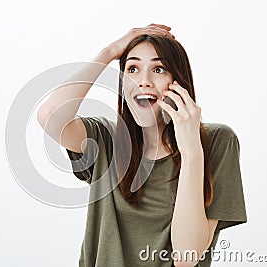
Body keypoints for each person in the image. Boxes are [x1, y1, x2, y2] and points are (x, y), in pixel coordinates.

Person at [37, 23, 247, 267]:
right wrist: (109, 52)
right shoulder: (105, 140)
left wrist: (191, 150)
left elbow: (186, 257)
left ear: (178, 83)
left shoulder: (217, 142)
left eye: (159, 69)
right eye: (133, 68)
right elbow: (49, 114)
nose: (143, 81)